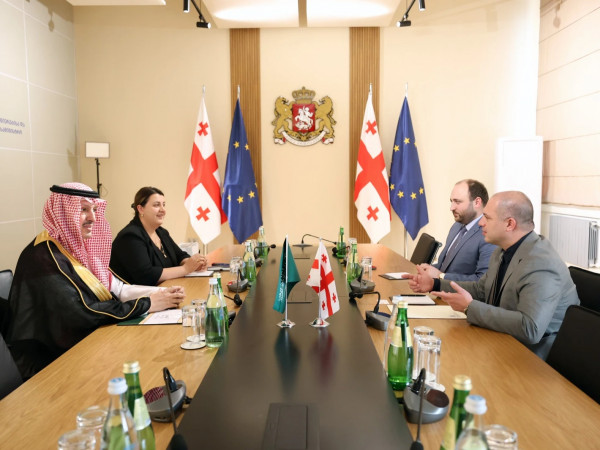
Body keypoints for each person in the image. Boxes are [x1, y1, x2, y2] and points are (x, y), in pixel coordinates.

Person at [7, 183, 185, 379]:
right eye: (84, 210)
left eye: (94, 209)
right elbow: (82, 313)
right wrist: (147, 304)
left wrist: (160, 294)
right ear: (63, 212)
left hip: (86, 344)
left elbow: (118, 288)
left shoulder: (78, 246)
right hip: (50, 363)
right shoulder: (43, 257)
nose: (93, 218)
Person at [405, 191, 579, 360]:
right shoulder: (502, 250)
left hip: (535, 358)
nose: (481, 223)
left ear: (509, 224)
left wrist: (469, 308)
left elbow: (530, 328)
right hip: (502, 340)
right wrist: (435, 284)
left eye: (487, 218)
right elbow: (482, 289)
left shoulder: (541, 263)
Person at [111, 187, 207, 286]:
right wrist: (185, 269)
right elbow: (146, 276)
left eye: (163, 205)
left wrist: (194, 264)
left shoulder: (162, 232)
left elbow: (180, 256)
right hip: (138, 294)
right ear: (141, 209)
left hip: (165, 289)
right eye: (156, 205)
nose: (163, 210)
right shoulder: (130, 236)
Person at [420, 179, 496, 281]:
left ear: (477, 202)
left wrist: (441, 276)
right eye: (451, 201)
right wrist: (427, 270)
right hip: (436, 287)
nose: (451, 208)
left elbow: (482, 281)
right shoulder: (457, 226)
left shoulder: (489, 235)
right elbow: (444, 266)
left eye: (457, 202)